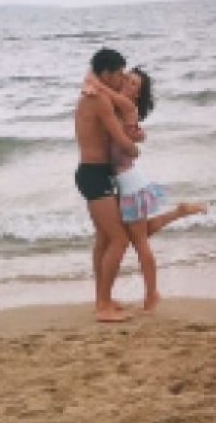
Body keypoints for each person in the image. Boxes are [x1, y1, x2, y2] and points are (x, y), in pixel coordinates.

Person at [87, 66, 207, 310]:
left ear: (137, 94)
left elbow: (111, 101)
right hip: (123, 183)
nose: (128, 84)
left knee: (140, 242)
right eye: (127, 79)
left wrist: (95, 84)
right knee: (138, 235)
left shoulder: (127, 109)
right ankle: (180, 211)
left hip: (130, 183)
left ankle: (152, 294)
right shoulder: (117, 109)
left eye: (134, 84)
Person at [73, 46, 140, 323]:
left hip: (95, 173)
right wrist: (133, 148)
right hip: (94, 174)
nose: (122, 79)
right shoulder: (98, 99)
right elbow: (119, 138)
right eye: (119, 74)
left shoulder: (92, 93)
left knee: (104, 239)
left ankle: (103, 298)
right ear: (105, 74)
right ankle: (102, 306)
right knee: (119, 239)